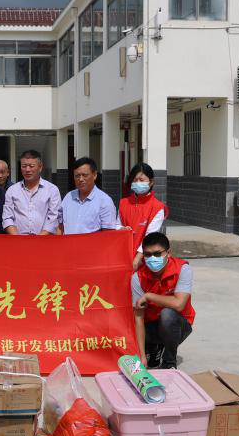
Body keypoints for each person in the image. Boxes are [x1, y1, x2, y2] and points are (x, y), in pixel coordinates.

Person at [132, 232, 194, 370]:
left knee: (167, 314)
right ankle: (153, 348)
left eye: (157, 254)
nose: (152, 258)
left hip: (178, 325)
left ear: (168, 253)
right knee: (128, 323)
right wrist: (141, 356)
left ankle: (169, 363)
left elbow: (179, 304)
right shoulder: (138, 278)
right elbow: (138, 318)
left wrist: (149, 296)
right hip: (152, 326)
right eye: (147, 255)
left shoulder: (182, 269)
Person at [119, 162, 168, 270]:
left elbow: (149, 236)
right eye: (135, 180)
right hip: (122, 256)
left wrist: (137, 258)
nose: (137, 183)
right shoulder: (123, 203)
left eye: (141, 180)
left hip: (143, 260)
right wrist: (121, 228)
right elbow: (116, 225)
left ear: (151, 182)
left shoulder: (157, 207)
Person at [2, 150, 61, 235]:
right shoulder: (12, 190)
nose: (27, 170)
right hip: (18, 240)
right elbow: (7, 218)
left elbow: (53, 218)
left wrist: (38, 240)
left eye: (31, 166)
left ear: (40, 167)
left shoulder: (52, 190)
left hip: (44, 240)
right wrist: (17, 238)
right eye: (24, 166)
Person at [58, 156, 120, 235]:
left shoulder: (105, 201)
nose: (80, 179)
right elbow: (60, 226)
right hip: (68, 243)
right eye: (77, 176)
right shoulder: (68, 197)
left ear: (94, 175)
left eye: (85, 175)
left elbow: (108, 234)